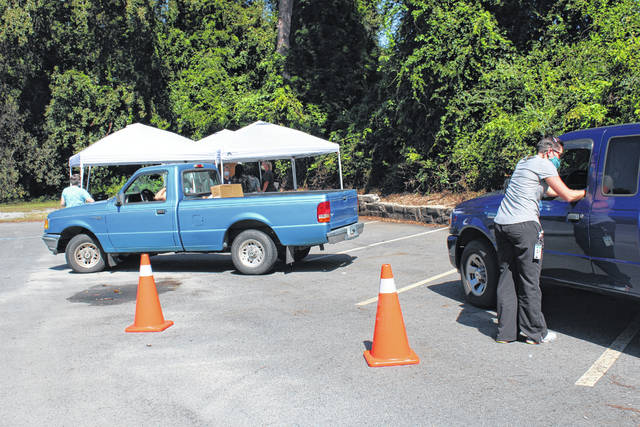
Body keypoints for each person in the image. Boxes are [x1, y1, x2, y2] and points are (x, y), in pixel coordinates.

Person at [493, 136, 586, 345]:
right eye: (559, 156)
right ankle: (536, 333)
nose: (559, 161)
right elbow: (569, 195)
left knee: (507, 277)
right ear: (550, 152)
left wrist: (566, 193)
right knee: (529, 280)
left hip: (502, 225)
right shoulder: (544, 163)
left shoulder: (524, 162)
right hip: (524, 227)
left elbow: (547, 191)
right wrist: (588, 192)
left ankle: (505, 333)